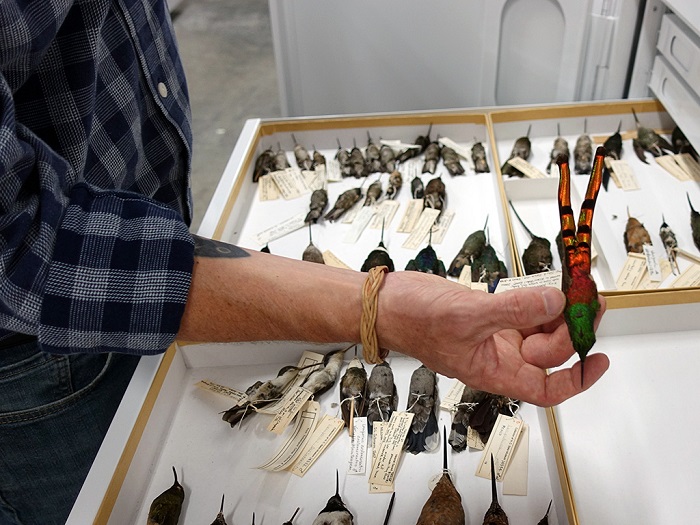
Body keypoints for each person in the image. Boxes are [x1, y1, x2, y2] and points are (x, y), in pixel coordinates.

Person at [0, 2, 609, 524]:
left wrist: (387, 312)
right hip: (43, 349)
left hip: (152, 242)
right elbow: (21, 234)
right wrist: (379, 310)